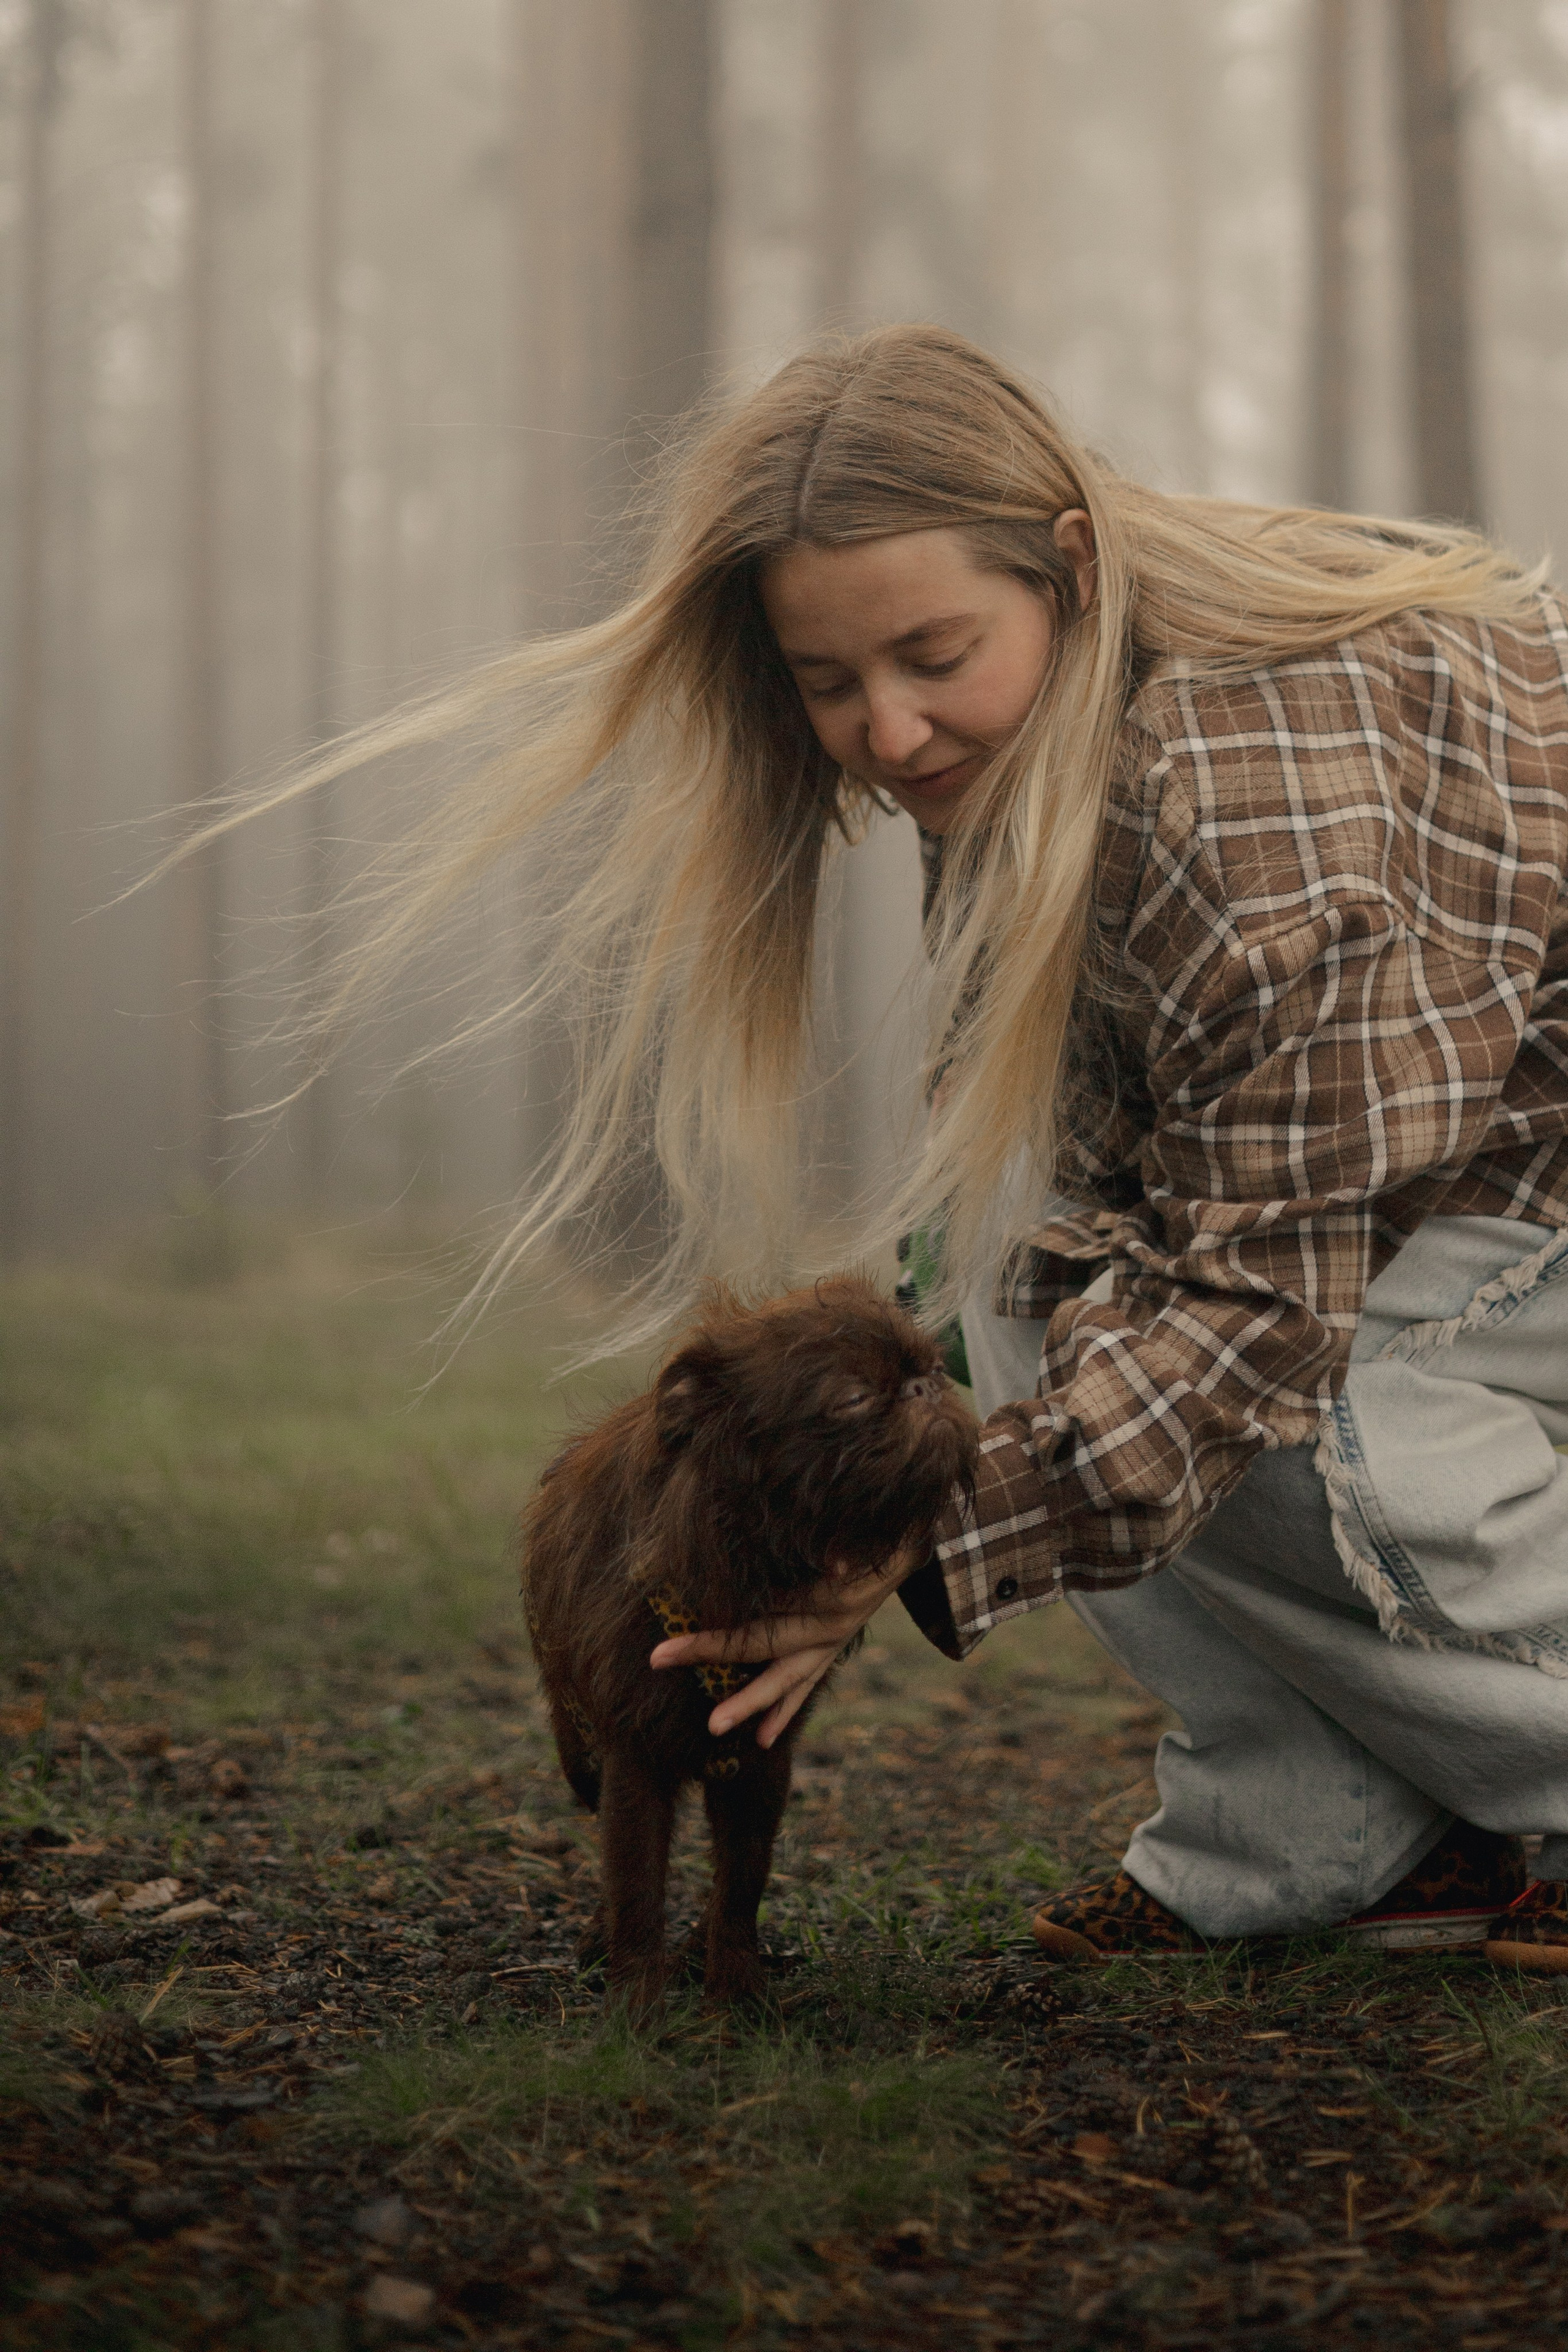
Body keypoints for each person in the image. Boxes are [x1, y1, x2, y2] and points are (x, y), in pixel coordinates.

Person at [219, 323, 1568, 1970]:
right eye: (829, 681)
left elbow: (1261, 1312)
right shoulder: (1045, 746)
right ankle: (1339, 1837)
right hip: (1450, 1159)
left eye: (934, 653)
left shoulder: (1244, 794)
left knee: (1300, 1408)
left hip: (1517, 1173)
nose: (892, 730)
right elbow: (1066, 1186)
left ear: (1069, 566)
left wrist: (929, 1538)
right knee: (1025, 1311)